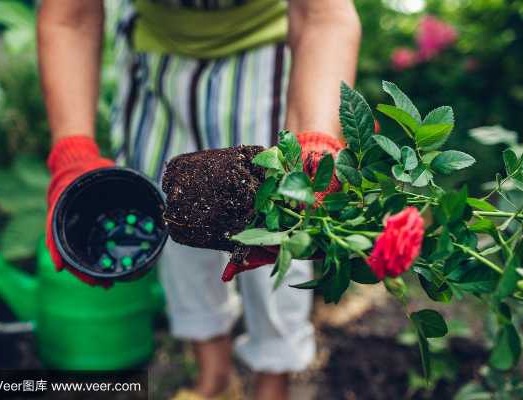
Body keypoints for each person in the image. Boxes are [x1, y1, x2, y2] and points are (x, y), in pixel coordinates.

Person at [38, 1, 360, 399]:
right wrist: (72, 150)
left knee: (279, 228)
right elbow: (70, 16)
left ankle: (273, 379)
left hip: (264, 60)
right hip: (160, 65)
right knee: (173, 221)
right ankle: (215, 377)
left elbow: (322, 14)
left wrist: (316, 139)